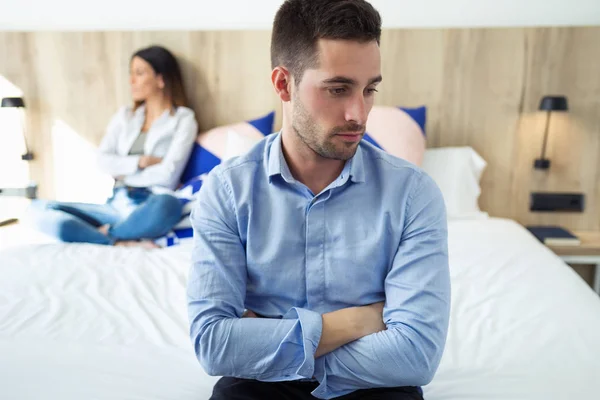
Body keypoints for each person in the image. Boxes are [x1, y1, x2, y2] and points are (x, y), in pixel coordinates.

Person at [187, 1, 450, 399]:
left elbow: (416, 354)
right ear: (282, 84)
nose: (358, 114)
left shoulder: (413, 194)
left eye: (370, 89)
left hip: (376, 388)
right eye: (338, 89)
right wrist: (359, 322)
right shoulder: (226, 190)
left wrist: (269, 344)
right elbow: (214, 345)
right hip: (253, 390)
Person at [29, 45, 198, 248]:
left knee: (169, 206)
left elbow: (168, 175)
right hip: (116, 203)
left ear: (161, 79)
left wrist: (122, 171)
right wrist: (140, 162)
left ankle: (107, 234)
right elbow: (102, 161)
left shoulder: (184, 120)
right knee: (37, 209)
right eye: (131, 73)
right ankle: (120, 240)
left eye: (139, 73)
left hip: (149, 204)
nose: (131, 81)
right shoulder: (125, 116)